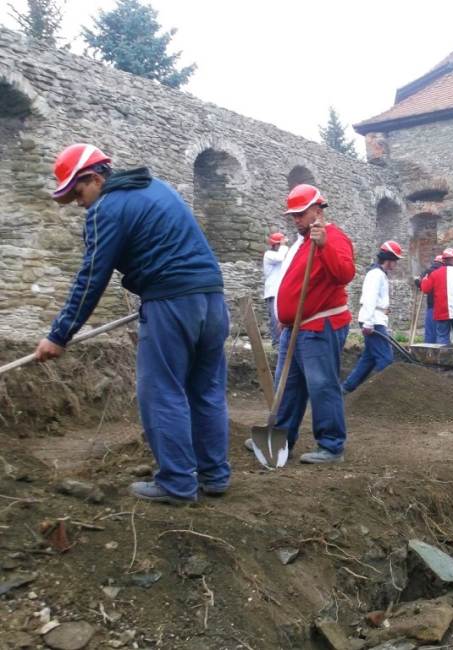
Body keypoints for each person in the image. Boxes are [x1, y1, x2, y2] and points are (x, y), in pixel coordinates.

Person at [34, 143, 230, 504]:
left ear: (94, 178)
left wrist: (59, 334)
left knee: (161, 392)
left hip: (171, 302)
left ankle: (176, 484)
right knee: (206, 390)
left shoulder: (107, 207)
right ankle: (214, 476)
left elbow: (91, 276)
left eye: (77, 193)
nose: (79, 203)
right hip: (212, 298)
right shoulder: (156, 187)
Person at [245, 183, 356, 463]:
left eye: (301, 213)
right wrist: (287, 316)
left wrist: (324, 245)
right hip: (296, 328)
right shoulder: (301, 243)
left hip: (320, 327)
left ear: (317, 210)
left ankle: (331, 446)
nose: (296, 219)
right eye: (293, 214)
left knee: (322, 386)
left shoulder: (333, 237)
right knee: (288, 387)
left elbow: (344, 274)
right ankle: (280, 440)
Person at [342, 241, 404, 393]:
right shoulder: (375, 275)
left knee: (368, 359)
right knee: (386, 359)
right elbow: (370, 298)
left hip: (376, 319)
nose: (396, 263)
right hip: (373, 320)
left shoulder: (380, 274)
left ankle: (347, 388)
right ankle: (384, 394)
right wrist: (369, 323)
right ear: (388, 259)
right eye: (395, 260)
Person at [420, 247, 453, 345]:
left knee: (442, 339)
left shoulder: (434, 274)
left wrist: (424, 279)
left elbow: (425, 289)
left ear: (444, 260)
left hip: (441, 312)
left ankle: (443, 359)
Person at [263, 232, 289, 347]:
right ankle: (276, 344)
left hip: (281, 292)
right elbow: (280, 257)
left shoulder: (282, 254)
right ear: (275, 245)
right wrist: (284, 246)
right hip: (272, 292)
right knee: (275, 319)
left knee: (284, 318)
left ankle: (283, 343)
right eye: (280, 244)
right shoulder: (269, 254)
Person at [418, 254, 444, 344]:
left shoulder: (429, 271)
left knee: (430, 332)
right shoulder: (444, 272)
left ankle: (428, 352)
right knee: (442, 333)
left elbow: (420, 283)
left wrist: (418, 283)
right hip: (443, 307)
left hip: (431, 305)